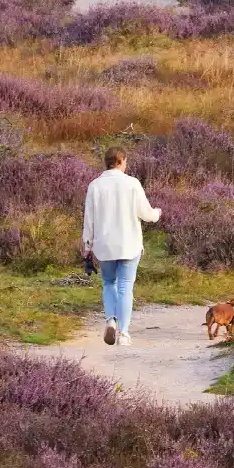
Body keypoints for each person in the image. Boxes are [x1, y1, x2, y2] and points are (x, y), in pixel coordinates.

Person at [82, 145, 161, 347]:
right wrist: (157, 213)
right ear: (122, 161)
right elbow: (146, 213)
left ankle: (110, 320)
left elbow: (88, 219)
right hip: (129, 243)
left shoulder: (95, 186)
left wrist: (87, 244)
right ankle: (124, 334)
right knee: (126, 286)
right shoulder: (132, 183)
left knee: (109, 283)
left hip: (104, 245)